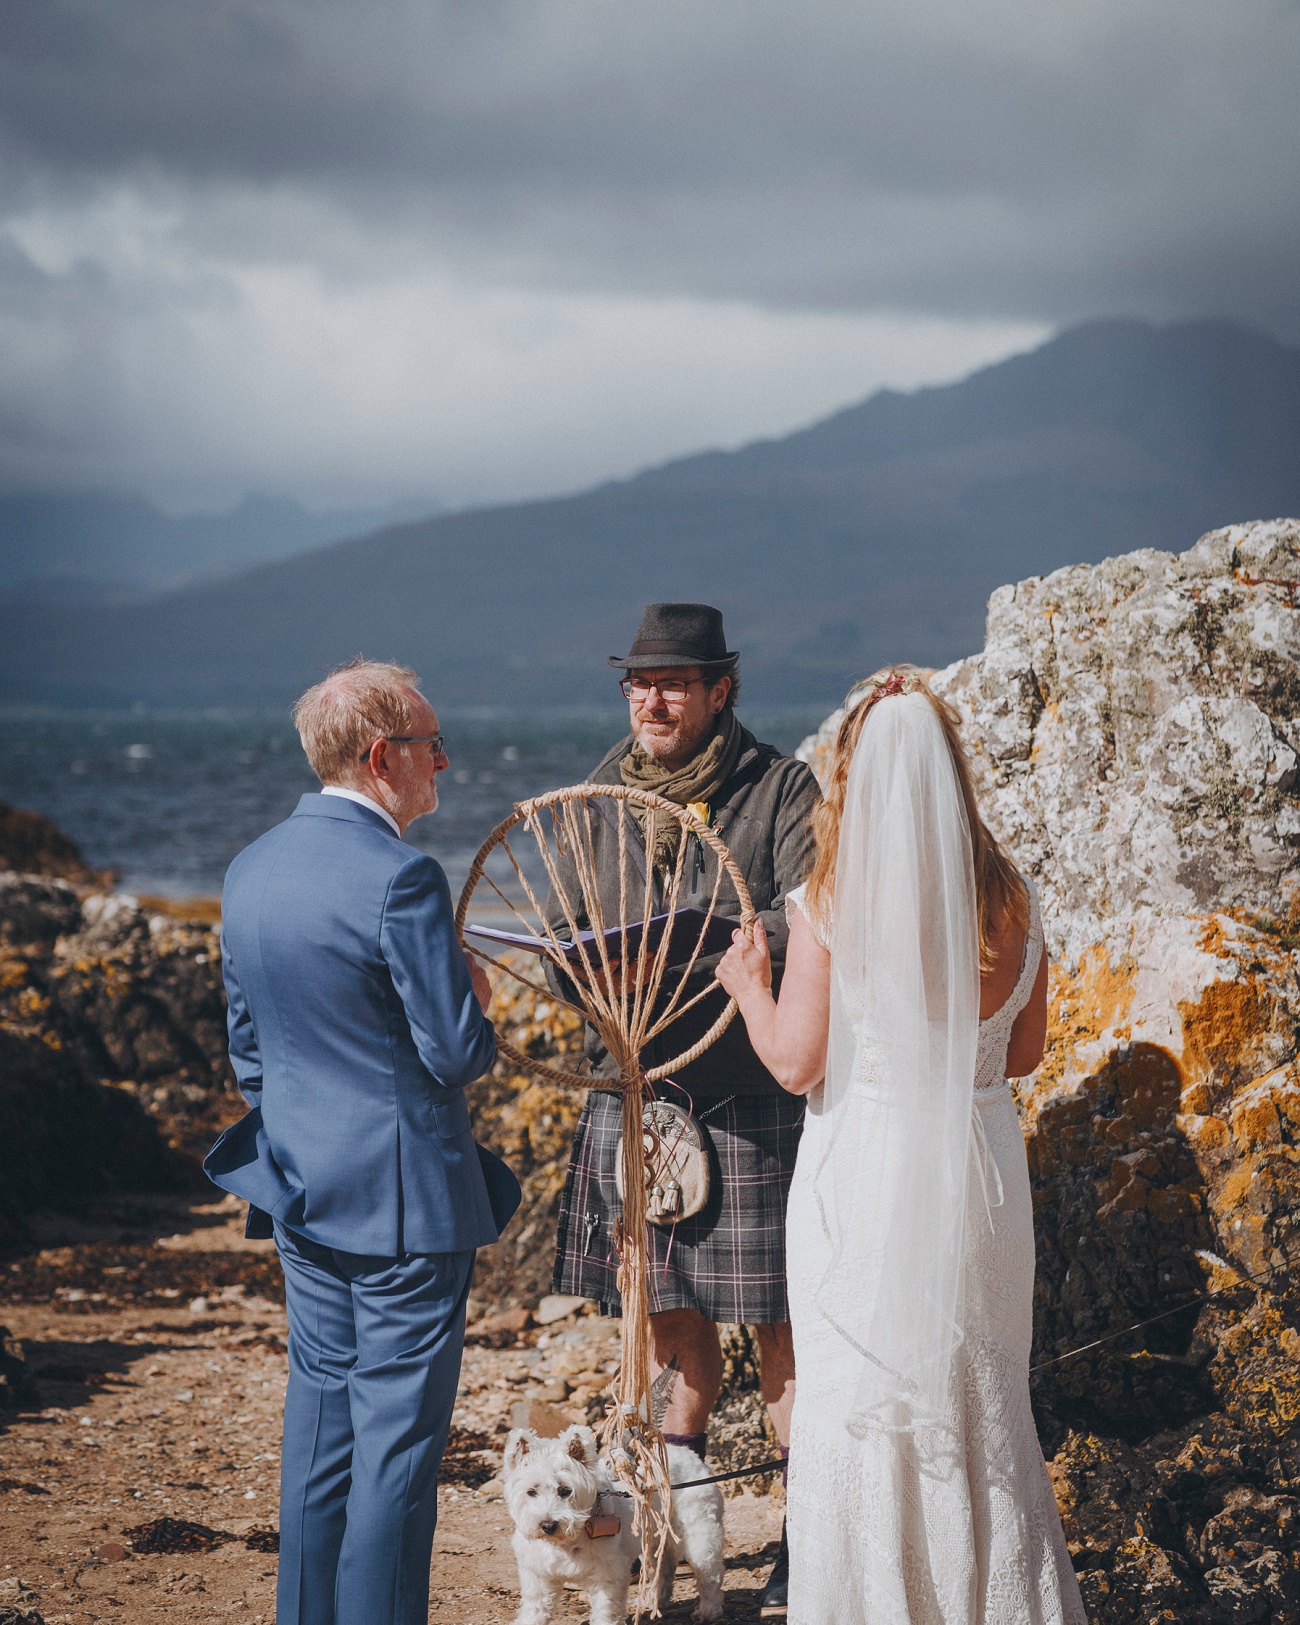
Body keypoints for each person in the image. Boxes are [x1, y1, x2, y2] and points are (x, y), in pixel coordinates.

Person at [716, 667, 1086, 1624]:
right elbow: (1025, 1053)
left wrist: (750, 985)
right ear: (952, 773)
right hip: (980, 1174)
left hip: (866, 1172)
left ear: (853, 777)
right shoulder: (1014, 901)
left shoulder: (830, 902)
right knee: (981, 1397)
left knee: (864, 1395)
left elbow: (796, 1063)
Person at [203, 658, 520, 1625]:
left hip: (298, 1187)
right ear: (383, 757)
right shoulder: (402, 876)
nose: (444, 761)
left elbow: (249, 1051)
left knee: (320, 1436)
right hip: (406, 1207)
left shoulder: (250, 867)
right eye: (432, 745)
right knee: (396, 1457)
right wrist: (476, 991)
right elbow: (456, 1053)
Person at [548, 602, 821, 1617]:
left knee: (783, 1326)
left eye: (671, 683)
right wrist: (590, 969)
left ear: (720, 689)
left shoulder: (783, 788)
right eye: (638, 683)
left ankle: (807, 1540)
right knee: (667, 1325)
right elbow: (567, 933)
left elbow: (808, 928)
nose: (650, 700)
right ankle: (674, 1531)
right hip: (637, 1090)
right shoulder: (594, 796)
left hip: (747, 1091)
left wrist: (693, 963)